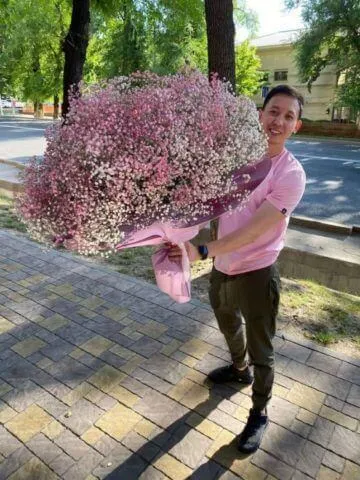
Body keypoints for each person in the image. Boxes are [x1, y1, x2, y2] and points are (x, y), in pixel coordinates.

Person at [168, 85, 306, 453]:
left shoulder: (291, 175)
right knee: (227, 322)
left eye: (288, 116)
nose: (278, 121)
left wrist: (202, 250)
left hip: (258, 272)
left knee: (264, 349)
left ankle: (259, 412)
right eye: (273, 112)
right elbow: (207, 200)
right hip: (223, 267)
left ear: (297, 126)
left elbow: (252, 231)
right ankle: (238, 370)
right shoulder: (235, 160)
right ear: (261, 115)